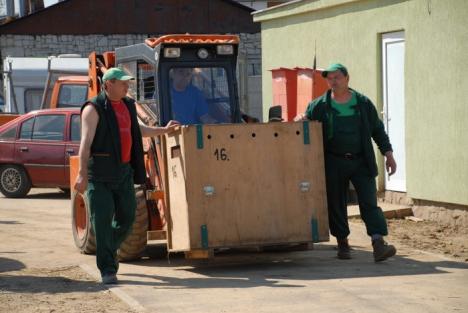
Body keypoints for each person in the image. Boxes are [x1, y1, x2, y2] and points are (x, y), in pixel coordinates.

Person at [74, 67, 179, 284]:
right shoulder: (93, 109)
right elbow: (85, 144)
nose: (127, 86)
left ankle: (108, 249)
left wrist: (164, 130)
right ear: (108, 84)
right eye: (122, 83)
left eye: (127, 83)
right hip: (99, 175)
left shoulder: (128, 106)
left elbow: (140, 130)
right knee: (101, 223)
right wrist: (82, 174)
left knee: (128, 217)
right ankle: (108, 269)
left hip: (124, 172)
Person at [295, 63, 397, 262]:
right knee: (336, 203)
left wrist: (389, 154)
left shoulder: (363, 103)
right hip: (333, 161)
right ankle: (343, 243)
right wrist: (300, 118)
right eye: (330, 78)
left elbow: (377, 130)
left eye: (337, 77)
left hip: (361, 160)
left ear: (347, 78)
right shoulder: (320, 105)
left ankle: (378, 243)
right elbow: (306, 120)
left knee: (369, 202)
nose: (333, 81)